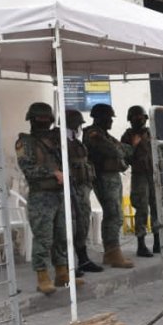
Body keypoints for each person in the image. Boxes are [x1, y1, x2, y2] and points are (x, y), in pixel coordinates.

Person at [15, 103, 81, 294]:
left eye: (47, 119)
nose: (44, 122)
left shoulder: (56, 140)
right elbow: (28, 169)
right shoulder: (25, 142)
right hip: (41, 197)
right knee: (44, 237)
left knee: (62, 235)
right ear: (32, 120)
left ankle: (62, 274)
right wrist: (53, 173)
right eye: (40, 119)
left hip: (60, 194)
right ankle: (42, 276)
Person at [83, 103, 135, 269]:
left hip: (112, 176)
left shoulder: (104, 134)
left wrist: (121, 148)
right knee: (113, 214)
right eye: (109, 118)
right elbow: (115, 151)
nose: (111, 121)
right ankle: (112, 252)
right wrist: (120, 148)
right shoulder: (93, 134)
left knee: (116, 214)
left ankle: (112, 251)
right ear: (100, 118)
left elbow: (128, 150)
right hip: (103, 177)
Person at [121, 105, 163, 258]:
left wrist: (161, 164)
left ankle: (158, 243)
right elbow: (124, 157)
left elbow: (160, 150)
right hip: (139, 176)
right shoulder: (127, 136)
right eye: (135, 118)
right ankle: (141, 245)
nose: (139, 120)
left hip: (154, 176)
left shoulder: (151, 133)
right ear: (130, 120)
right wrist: (134, 145)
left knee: (157, 209)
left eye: (141, 117)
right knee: (142, 210)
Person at [65, 109, 104, 276]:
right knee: (71, 226)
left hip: (82, 189)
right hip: (70, 190)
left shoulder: (76, 142)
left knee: (83, 224)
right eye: (78, 125)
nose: (80, 128)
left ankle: (83, 259)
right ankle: (67, 264)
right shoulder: (61, 143)